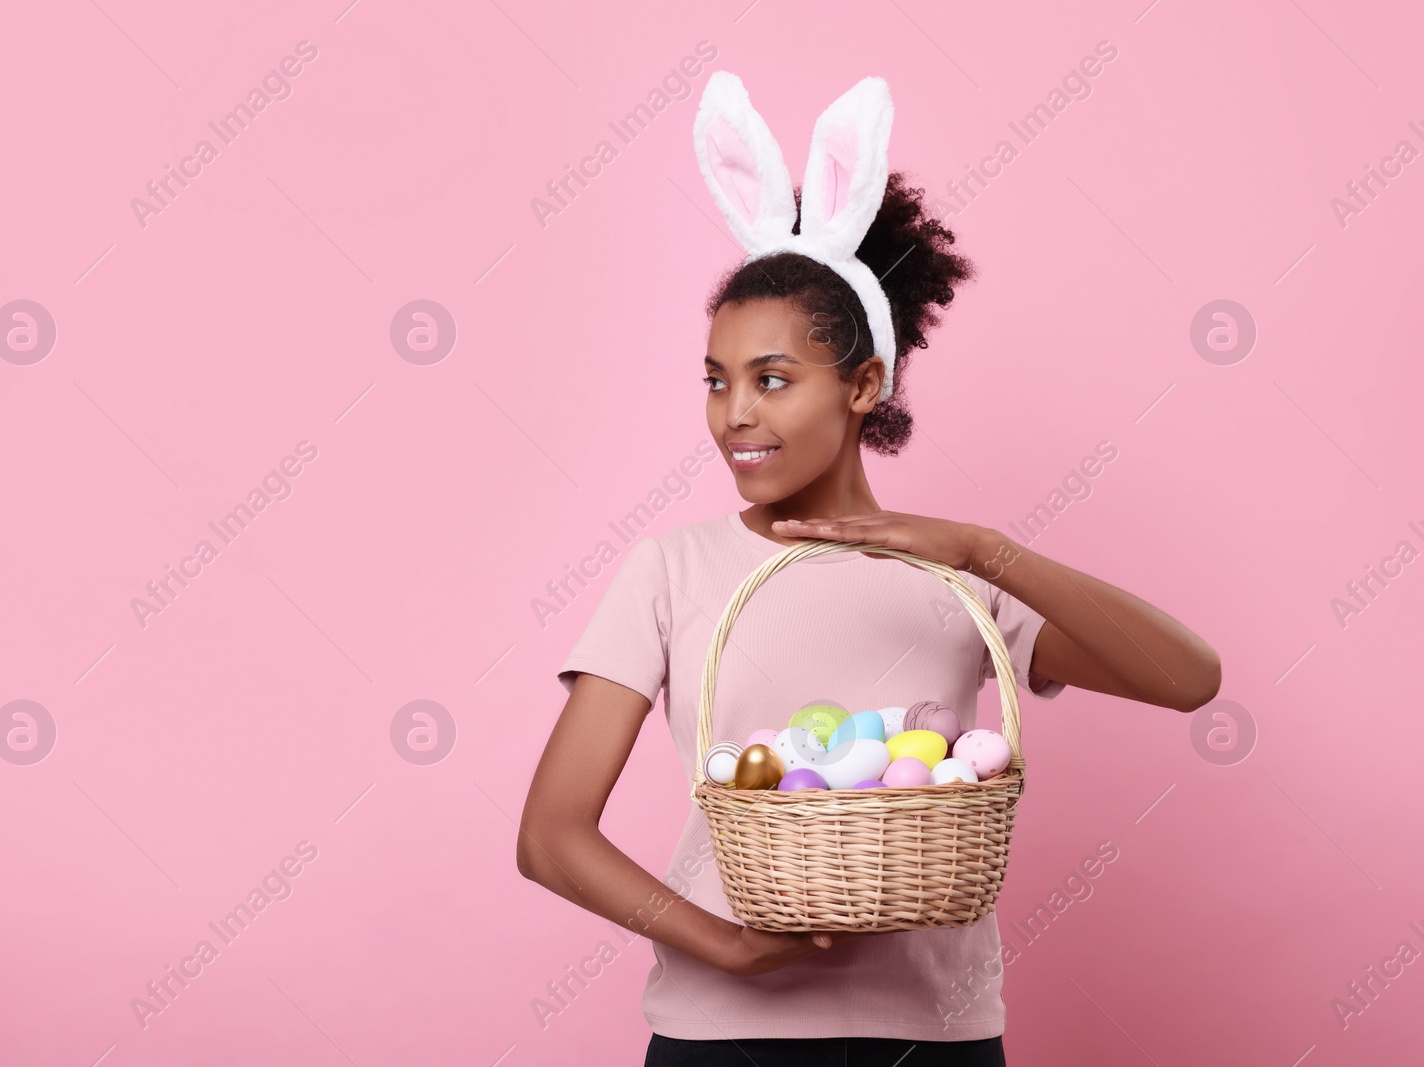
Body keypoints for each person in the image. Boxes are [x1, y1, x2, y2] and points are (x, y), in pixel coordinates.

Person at [516, 98, 1221, 1067]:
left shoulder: (956, 575)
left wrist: (984, 549)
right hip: (725, 1040)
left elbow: (1189, 677)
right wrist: (724, 944)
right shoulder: (672, 568)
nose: (733, 415)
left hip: (933, 1040)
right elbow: (551, 834)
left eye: (772, 378)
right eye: (715, 379)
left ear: (862, 384)